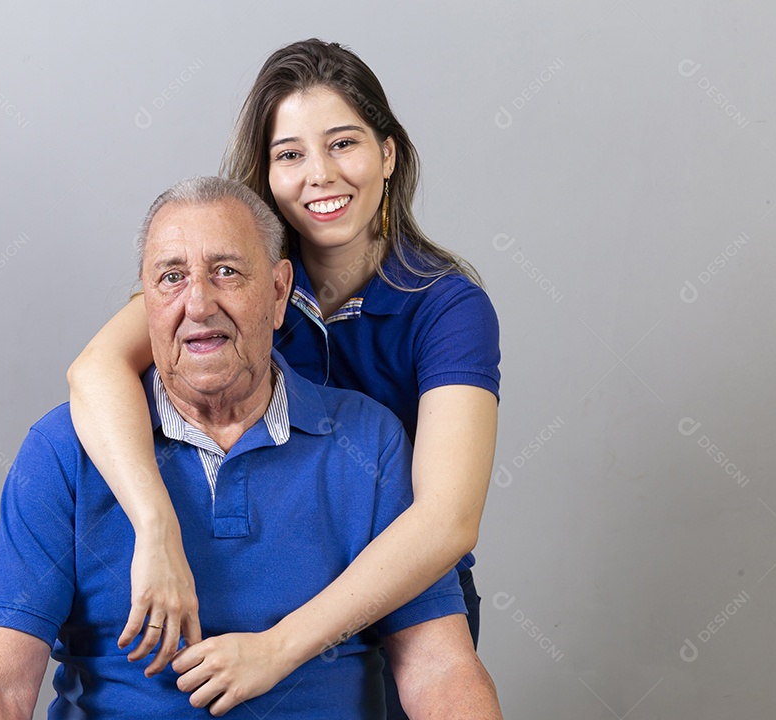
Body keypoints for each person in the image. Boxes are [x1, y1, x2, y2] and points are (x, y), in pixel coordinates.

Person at [0, 177, 501, 719]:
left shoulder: (370, 444)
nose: (199, 303)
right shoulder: (63, 451)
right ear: (145, 300)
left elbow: (441, 673)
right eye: (171, 278)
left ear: (279, 292)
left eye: (227, 272)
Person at [67, 39, 500, 717]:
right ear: (265, 174)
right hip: (277, 570)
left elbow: (447, 519)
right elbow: (94, 370)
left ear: (388, 155)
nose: (319, 175)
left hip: (404, 597)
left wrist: (279, 647)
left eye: (343, 144)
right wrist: (155, 527)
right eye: (290, 154)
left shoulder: (447, 306)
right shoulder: (233, 277)